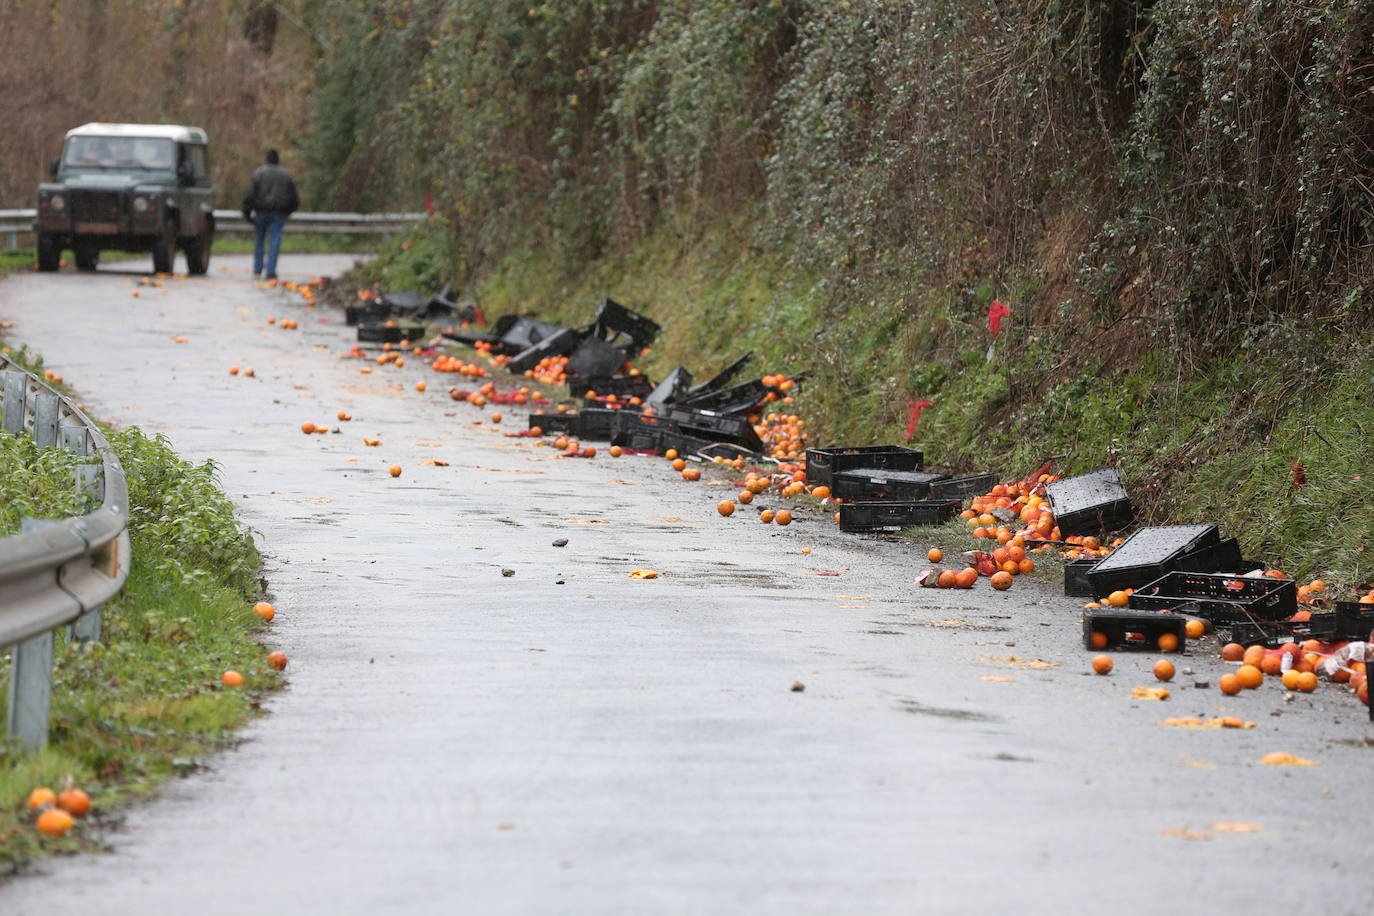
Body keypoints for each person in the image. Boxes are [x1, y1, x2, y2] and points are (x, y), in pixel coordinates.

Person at [241, 149, 300, 279]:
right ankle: (271, 271)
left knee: (259, 240)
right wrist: (288, 212)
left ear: (266, 159)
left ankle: (257, 268)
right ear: (278, 159)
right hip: (278, 213)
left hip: (261, 212)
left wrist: (247, 212)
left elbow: (250, 195)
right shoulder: (286, 175)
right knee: (274, 241)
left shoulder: (259, 173)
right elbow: (293, 198)